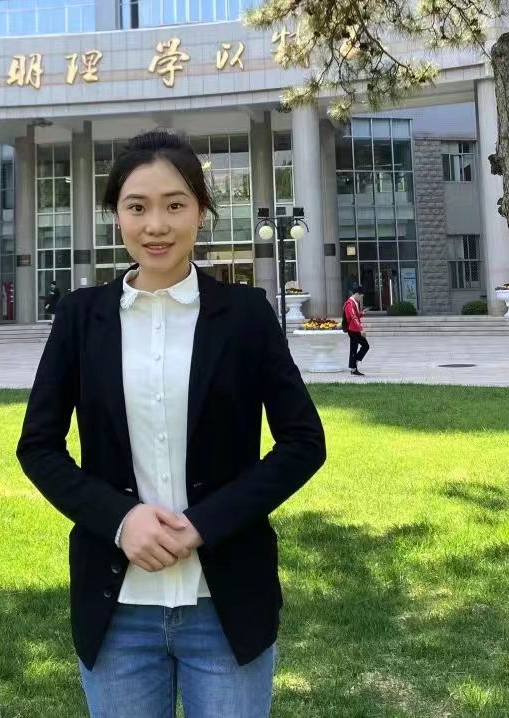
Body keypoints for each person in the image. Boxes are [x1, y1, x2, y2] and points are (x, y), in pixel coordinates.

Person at [17, 130, 326, 718]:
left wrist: (205, 524)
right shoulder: (81, 318)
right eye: (137, 207)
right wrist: (120, 519)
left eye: (175, 205)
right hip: (117, 608)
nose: (156, 225)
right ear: (116, 215)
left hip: (225, 604)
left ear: (201, 212)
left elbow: (303, 443)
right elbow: (39, 447)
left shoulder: (245, 316)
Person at [343, 283, 369, 376]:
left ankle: (353, 366)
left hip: (354, 329)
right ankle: (354, 366)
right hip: (353, 330)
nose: (361, 298)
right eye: (361, 296)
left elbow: (355, 315)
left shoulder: (353, 302)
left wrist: (362, 313)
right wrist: (361, 329)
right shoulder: (350, 303)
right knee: (363, 346)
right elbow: (353, 317)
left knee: (358, 348)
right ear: (357, 294)